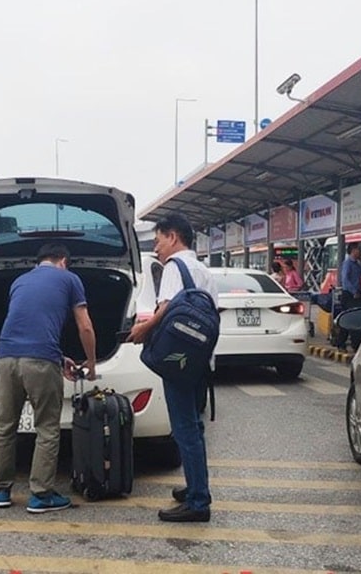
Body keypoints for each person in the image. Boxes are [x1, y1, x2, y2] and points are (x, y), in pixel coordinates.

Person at [0, 243, 97, 514]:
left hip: (5, 357)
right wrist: (91, 362)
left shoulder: (19, 281)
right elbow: (84, 325)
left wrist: (59, 358)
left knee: (4, 426)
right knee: (47, 428)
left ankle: (1, 491)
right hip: (40, 361)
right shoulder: (69, 278)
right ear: (63, 260)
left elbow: (28, 323)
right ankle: (41, 495)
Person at [127, 213, 218, 523]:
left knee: (184, 429)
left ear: (173, 237)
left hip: (179, 362)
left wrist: (142, 330)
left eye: (159, 240)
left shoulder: (174, 268)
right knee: (195, 426)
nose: (157, 247)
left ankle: (197, 501)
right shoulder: (203, 269)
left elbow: (164, 311)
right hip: (201, 360)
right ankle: (196, 485)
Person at [335, 243, 361, 351]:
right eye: (358, 250)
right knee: (348, 319)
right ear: (352, 251)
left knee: (357, 319)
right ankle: (341, 343)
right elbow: (345, 280)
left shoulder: (357, 264)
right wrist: (354, 291)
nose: (359, 252)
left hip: (357, 294)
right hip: (349, 295)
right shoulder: (347, 264)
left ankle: (356, 343)